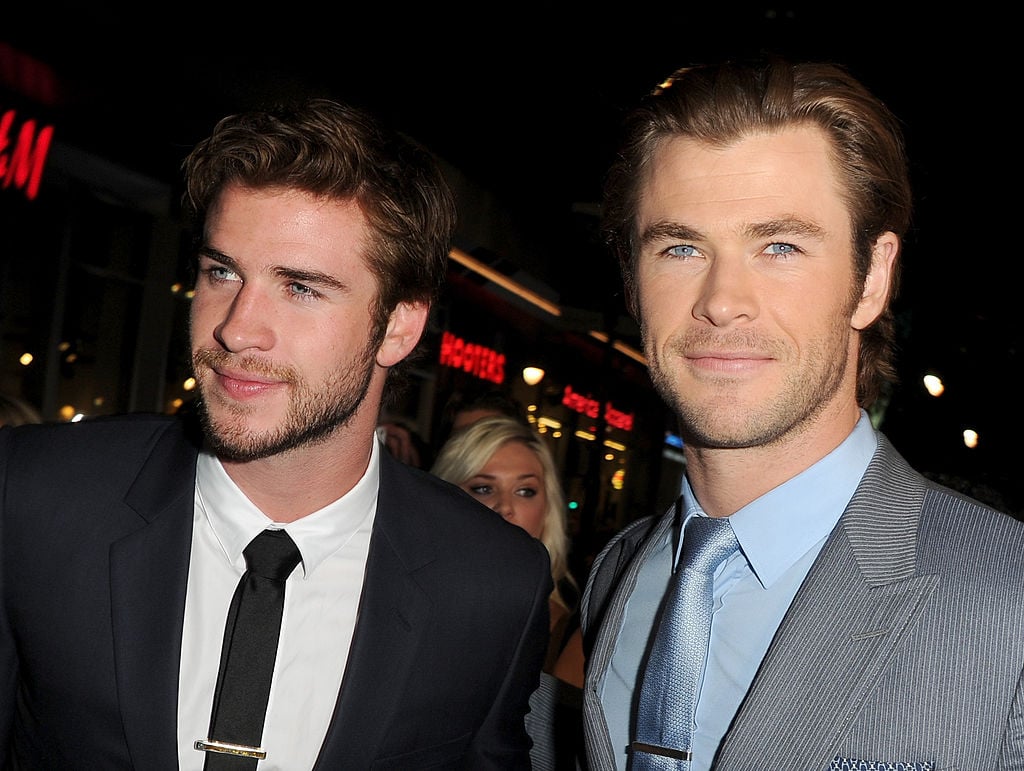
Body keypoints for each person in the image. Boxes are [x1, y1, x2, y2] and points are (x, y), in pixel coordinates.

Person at [0, 97, 552, 769]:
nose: (236, 327)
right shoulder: (32, 496)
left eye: (300, 287)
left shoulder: (492, 585)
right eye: (222, 271)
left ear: (400, 326)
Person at [579, 56, 1024, 770]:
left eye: (779, 245)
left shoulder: (1011, 599)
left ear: (872, 277)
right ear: (633, 278)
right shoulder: (617, 573)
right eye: (681, 246)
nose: (722, 300)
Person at [431, 415, 584, 769]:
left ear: (548, 511)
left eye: (525, 490)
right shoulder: (392, 612)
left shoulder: (574, 641)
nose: (505, 507)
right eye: (483, 488)